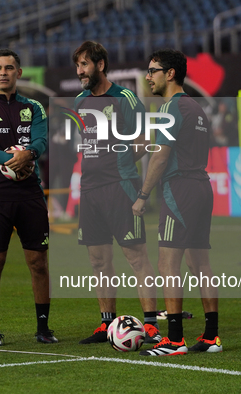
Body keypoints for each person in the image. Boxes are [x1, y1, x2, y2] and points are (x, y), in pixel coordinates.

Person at [133, 49, 222, 356]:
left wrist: (142, 196)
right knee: (200, 264)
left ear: (170, 73)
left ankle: (174, 339)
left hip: (179, 190)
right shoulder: (195, 107)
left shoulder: (170, 108)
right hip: (201, 186)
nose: (148, 77)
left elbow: (161, 155)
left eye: (152, 70)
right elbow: (152, 142)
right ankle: (212, 337)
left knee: (168, 264)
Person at [72, 41, 160, 345]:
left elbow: (145, 138)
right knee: (98, 261)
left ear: (100, 65)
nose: (80, 71)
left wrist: (121, 162)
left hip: (121, 187)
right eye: (78, 66)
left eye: (84, 64)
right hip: (90, 190)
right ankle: (106, 324)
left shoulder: (125, 98)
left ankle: (150, 325)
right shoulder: (81, 101)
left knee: (136, 257)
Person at [0, 49, 56, 346]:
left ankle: (43, 328)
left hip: (31, 193)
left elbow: (41, 140)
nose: (3, 72)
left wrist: (28, 154)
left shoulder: (34, 107)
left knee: (39, 263)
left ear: (19, 73)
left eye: (9, 67)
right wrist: (12, 161)